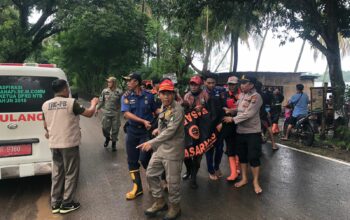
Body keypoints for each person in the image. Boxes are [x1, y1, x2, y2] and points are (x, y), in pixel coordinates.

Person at [42, 79, 98, 214]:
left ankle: (55, 203)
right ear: (65, 89)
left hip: (54, 144)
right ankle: (67, 203)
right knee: (71, 173)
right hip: (69, 144)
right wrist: (94, 104)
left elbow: (45, 126)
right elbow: (89, 114)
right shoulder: (71, 103)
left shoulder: (45, 105)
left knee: (57, 173)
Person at [138, 79, 185, 220]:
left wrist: (151, 143)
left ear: (173, 94)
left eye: (169, 93)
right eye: (163, 93)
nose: (166, 96)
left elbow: (171, 131)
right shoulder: (164, 106)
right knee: (150, 174)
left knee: (172, 183)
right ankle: (160, 202)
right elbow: (165, 124)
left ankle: (175, 207)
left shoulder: (178, 109)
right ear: (158, 94)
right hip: (161, 148)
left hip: (173, 151)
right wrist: (159, 129)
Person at [223, 75, 263, 194]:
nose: (242, 85)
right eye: (241, 82)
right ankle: (244, 178)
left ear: (252, 84)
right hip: (240, 132)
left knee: (254, 157)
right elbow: (240, 110)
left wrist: (232, 119)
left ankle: (255, 182)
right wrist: (232, 111)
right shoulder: (242, 95)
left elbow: (249, 114)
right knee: (243, 157)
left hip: (252, 132)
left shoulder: (256, 97)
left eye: (245, 83)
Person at [121, 72, 157, 200]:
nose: (127, 83)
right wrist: (142, 121)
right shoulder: (126, 96)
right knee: (132, 160)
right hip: (132, 131)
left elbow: (157, 110)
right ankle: (137, 188)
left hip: (146, 132)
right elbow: (126, 114)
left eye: (129, 81)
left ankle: (154, 182)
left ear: (136, 82)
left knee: (144, 159)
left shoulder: (150, 96)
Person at [182, 75, 209, 189]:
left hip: (202, 129)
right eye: (192, 84)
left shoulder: (205, 95)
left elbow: (210, 111)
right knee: (186, 155)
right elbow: (183, 111)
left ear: (200, 85)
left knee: (198, 155)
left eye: (196, 84)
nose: (193, 86)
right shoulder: (186, 95)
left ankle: (193, 178)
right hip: (189, 129)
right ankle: (188, 171)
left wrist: (202, 107)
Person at [203, 72, 225, 180]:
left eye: (213, 83)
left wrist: (221, 122)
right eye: (209, 83)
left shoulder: (220, 91)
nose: (211, 85)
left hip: (219, 126)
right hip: (207, 127)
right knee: (209, 149)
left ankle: (217, 166)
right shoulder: (201, 94)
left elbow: (223, 108)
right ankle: (211, 170)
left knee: (220, 148)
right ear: (204, 82)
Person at [95, 76, 122, 151]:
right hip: (106, 113)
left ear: (114, 83)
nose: (108, 83)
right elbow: (101, 101)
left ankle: (114, 143)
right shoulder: (105, 91)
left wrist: (124, 111)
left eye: (110, 82)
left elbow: (122, 103)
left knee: (115, 129)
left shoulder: (119, 92)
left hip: (115, 114)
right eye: (108, 82)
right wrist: (97, 108)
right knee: (104, 128)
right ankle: (107, 138)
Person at [222, 76, 241, 181]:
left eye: (233, 84)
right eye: (230, 84)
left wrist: (232, 110)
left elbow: (245, 110)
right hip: (228, 125)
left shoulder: (242, 95)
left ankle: (238, 168)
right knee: (230, 148)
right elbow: (222, 108)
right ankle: (233, 172)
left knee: (239, 148)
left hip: (241, 125)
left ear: (237, 84)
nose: (231, 86)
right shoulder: (223, 95)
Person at [255, 82, 278, 150]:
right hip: (263, 114)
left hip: (254, 114)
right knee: (269, 128)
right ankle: (273, 145)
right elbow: (268, 104)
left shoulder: (253, 95)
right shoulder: (264, 95)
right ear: (261, 87)